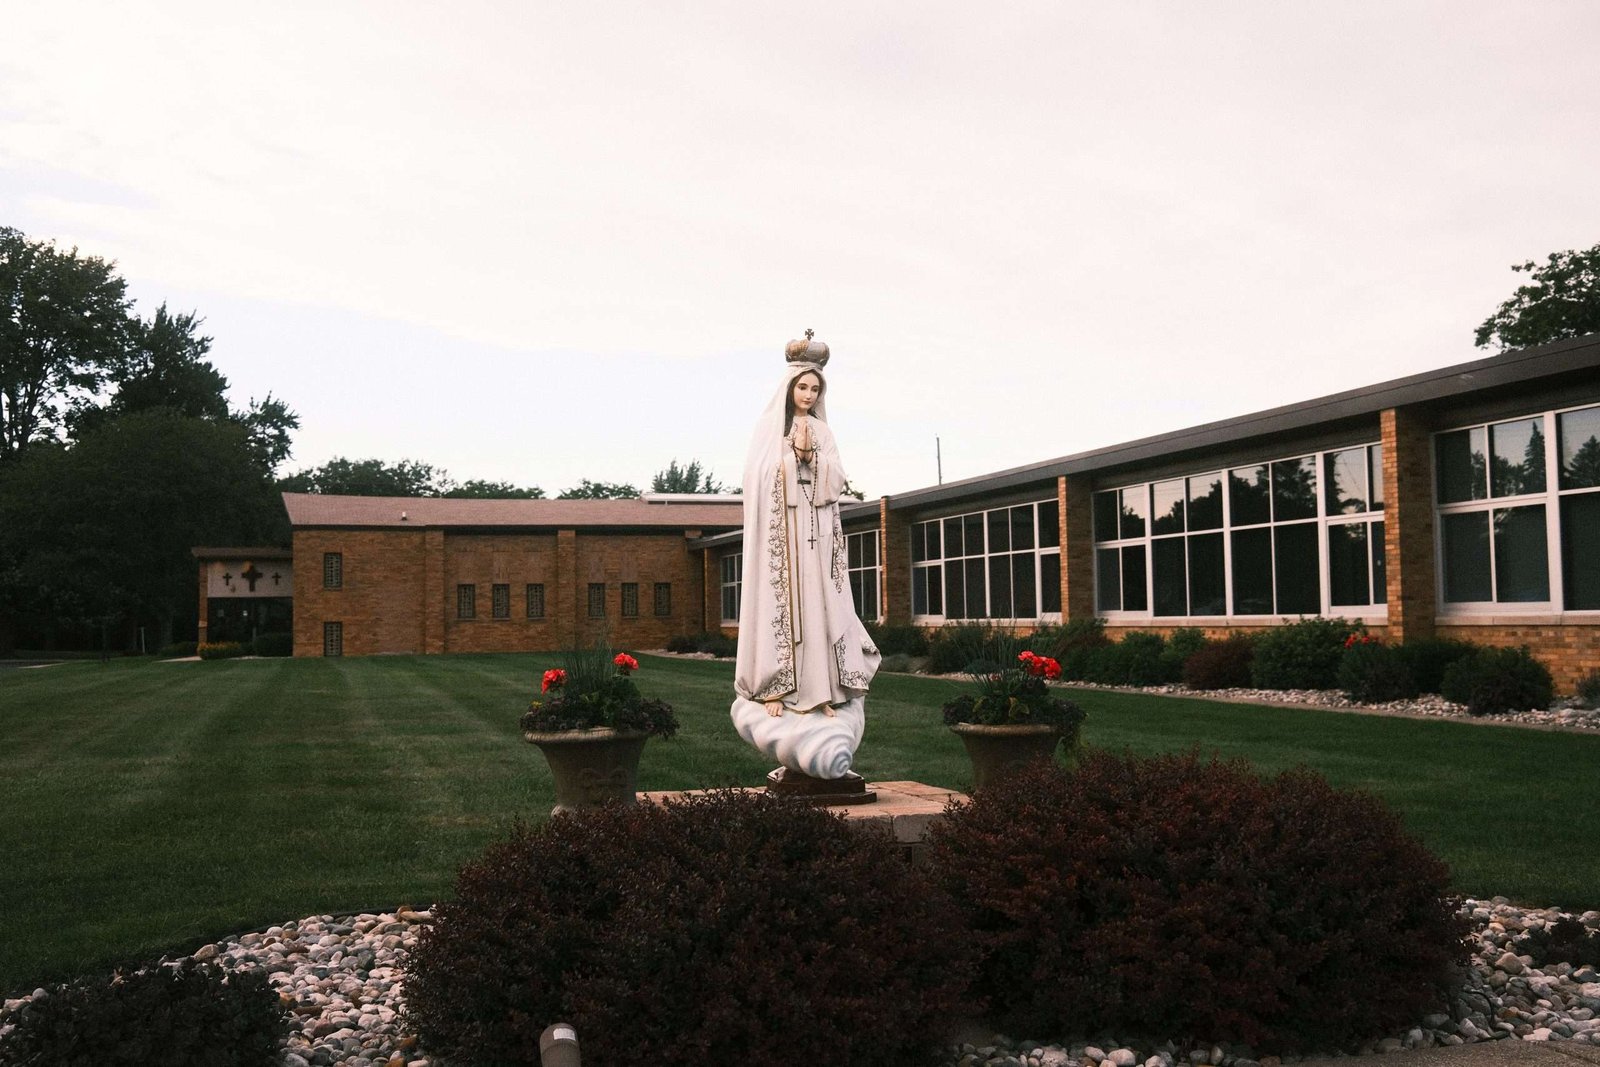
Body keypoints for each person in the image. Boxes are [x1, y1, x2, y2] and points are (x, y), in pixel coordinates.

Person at [730, 334, 880, 779]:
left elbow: (835, 481)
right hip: (784, 540)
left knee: (819, 609)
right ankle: (777, 687)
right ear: (790, 388)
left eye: (816, 390)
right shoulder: (770, 432)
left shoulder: (825, 431)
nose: (809, 395)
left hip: (815, 538)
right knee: (786, 610)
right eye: (803, 387)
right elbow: (758, 480)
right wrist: (788, 459)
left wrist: (812, 456)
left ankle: (823, 692)